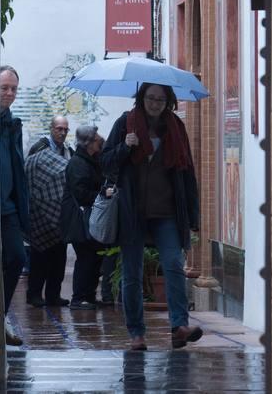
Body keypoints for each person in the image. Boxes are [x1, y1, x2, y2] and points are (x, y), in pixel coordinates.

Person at [101, 83, 202, 351]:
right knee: (132, 273)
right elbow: (106, 161)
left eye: (161, 99)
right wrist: (125, 147)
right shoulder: (126, 123)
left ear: (168, 101)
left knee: (173, 265)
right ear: (142, 97)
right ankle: (136, 333)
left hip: (167, 211)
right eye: (150, 98)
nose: (155, 103)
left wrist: (193, 215)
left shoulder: (176, 128)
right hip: (133, 212)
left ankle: (179, 327)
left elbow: (187, 172)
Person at [0, 65, 29, 346]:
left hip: (7, 206)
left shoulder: (13, 124)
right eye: (4, 87)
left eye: (13, 89)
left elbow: (17, 168)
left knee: (17, 258)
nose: (9, 93)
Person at [63, 124, 105, 309]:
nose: (99, 142)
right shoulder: (78, 163)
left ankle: (88, 295)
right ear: (88, 143)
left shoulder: (90, 160)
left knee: (94, 256)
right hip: (81, 218)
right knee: (86, 256)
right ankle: (79, 298)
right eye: (96, 139)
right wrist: (103, 195)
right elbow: (81, 193)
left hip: (90, 217)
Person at [24, 146, 70, 307]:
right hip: (44, 223)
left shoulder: (44, 171)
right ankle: (36, 294)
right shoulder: (46, 168)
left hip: (53, 222)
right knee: (40, 262)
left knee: (56, 261)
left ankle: (51, 295)